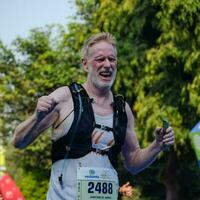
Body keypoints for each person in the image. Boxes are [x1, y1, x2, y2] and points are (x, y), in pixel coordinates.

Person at [12, 32, 175, 200]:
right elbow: (19, 142)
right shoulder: (65, 98)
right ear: (85, 64)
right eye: (100, 59)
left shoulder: (122, 109)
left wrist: (157, 145)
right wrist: (36, 117)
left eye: (112, 59)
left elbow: (133, 163)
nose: (107, 65)